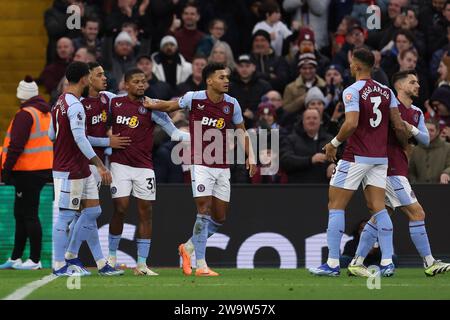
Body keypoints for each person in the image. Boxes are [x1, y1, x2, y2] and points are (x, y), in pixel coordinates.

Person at [142, 63, 257, 276]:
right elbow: (170, 106)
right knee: (203, 210)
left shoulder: (232, 104)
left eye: (227, 77)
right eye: (221, 77)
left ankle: (187, 247)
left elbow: (241, 132)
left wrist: (251, 156)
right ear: (210, 80)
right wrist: (150, 103)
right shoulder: (194, 97)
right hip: (200, 163)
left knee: (220, 217)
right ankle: (201, 265)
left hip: (223, 166)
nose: (226, 80)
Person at [308, 48, 407, 277]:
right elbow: (398, 125)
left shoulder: (352, 91)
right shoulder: (386, 91)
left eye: (352, 62)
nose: (350, 66)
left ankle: (332, 264)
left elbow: (351, 124)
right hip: (379, 158)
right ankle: (387, 261)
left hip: (355, 156)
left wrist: (333, 143)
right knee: (378, 208)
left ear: (356, 66)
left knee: (336, 205)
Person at [348, 70, 450, 277]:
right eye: (413, 82)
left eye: (418, 82)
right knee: (417, 213)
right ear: (400, 85)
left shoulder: (417, 112)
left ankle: (356, 261)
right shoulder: (385, 106)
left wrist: (408, 128)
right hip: (387, 168)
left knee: (379, 218)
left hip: (397, 167)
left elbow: (425, 140)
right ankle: (429, 262)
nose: (418, 86)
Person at [106, 68, 189, 276]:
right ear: (126, 85)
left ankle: (141, 264)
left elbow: (175, 133)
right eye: (136, 81)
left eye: (144, 81)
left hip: (144, 167)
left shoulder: (152, 106)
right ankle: (111, 258)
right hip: (120, 165)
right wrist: (107, 140)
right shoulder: (114, 104)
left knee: (146, 212)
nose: (141, 85)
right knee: (121, 208)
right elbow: (98, 126)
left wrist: (197, 137)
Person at [48, 61, 119, 276]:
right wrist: (99, 164)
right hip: (70, 169)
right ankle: (60, 265)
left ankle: (75, 257)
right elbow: (80, 137)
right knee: (66, 216)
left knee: (93, 211)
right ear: (83, 79)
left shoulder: (59, 102)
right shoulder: (76, 106)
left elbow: (51, 135)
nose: (91, 79)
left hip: (79, 168)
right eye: (89, 76)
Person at [0, 77, 53, 270]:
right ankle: (16, 257)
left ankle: (35, 260)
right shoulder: (44, 112)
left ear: (20, 94)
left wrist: (6, 171)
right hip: (40, 168)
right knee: (20, 213)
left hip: (28, 170)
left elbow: (16, 146)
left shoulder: (25, 114)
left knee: (28, 214)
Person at [280, 108, 335, 183]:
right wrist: (310, 160)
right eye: (308, 118)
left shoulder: (330, 140)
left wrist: (334, 166)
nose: (311, 121)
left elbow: (340, 158)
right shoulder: (290, 140)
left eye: (315, 118)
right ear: (303, 121)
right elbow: (285, 161)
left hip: (324, 189)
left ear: (320, 121)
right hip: (297, 189)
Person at [409, 118, 450, 184]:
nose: (428, 133)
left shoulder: (448, 147)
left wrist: (446, 173)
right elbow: (411, 172)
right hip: (420, 190)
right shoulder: (415, 150)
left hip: (442, 189)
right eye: (426, 130)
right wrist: (415, 183)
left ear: (437, 132)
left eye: (431, 130)